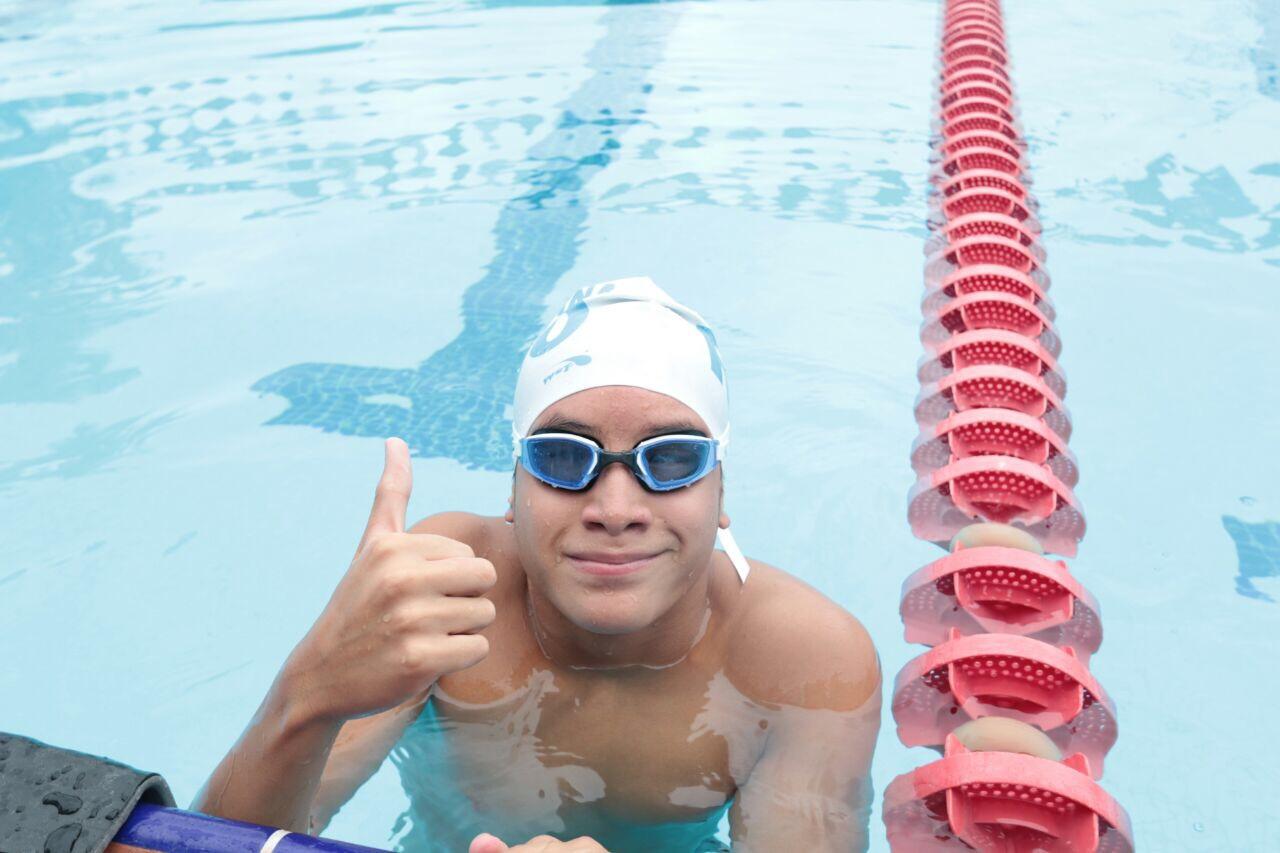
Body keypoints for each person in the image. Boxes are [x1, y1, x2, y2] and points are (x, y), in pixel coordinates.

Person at [193, 277, 881, 852]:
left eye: (670, 459)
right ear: (513, 487)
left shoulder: (805, 664)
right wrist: (306, 693)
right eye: (562, 456)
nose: (616, 507)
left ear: (721, 491)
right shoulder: (449, 592)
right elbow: (218, 842)